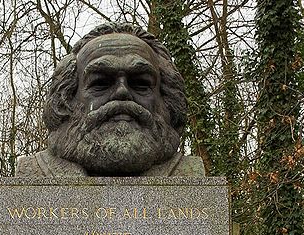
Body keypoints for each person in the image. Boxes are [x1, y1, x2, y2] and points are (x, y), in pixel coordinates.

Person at [16, 22, 204, 177]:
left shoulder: (188, 174)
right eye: (101, 83)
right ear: (66, 100)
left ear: (166, 100)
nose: (122, 92)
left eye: (140, 83)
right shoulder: (34, 173)